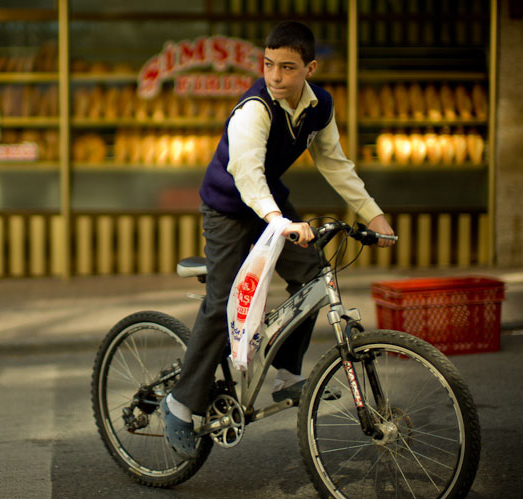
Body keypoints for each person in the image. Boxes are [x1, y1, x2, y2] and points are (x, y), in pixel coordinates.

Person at [160, 21, 397, 459]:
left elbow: (335, 164)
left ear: (309, 68)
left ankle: (288, 374)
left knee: (312, 275)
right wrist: (276, 220)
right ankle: (180, 403)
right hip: (229, 208)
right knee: (225, 300)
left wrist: (374, 215)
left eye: (287, 68)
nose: (274, 76)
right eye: (268, 65)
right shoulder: (255, 108)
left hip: (272, 206)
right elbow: (246, 173)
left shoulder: (318, 106)